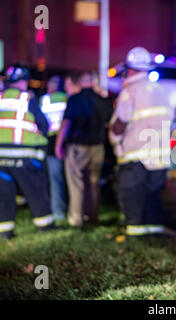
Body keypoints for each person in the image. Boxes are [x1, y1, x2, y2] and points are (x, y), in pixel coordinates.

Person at [0, 63, 56, 240]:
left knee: (4, 196)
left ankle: (3, 231)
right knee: (35, 191)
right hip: (22, 157)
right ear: (24, 82)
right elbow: (44, 126)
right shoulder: (27, 99)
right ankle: (45, 226)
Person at [109, 46, 173, 238]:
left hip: (136, 155)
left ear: (129, 70)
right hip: (160, 155)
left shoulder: (130, 91)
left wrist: (114, 140)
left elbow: (120, 123)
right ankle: (154, 233)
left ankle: (135, 236)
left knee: (133, 196)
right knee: (153, 197)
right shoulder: (160, 90)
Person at [55, 71, 113, 227]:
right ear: (93, 83)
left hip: (77, 147)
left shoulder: (75, 99)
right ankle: (92, 216)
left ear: (80, 83)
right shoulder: (103, 100)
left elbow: (66, 124)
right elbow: (110, 124)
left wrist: (58, 144)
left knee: (76, 183)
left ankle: (76, 219)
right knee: (93, 182)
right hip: (97, 147)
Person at [40, 75, 68, 221]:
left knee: (54, 179)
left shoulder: (43, 100)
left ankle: (58, 212)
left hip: (51, 143)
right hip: (67, 141)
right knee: (69, 178)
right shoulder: (66, 97)